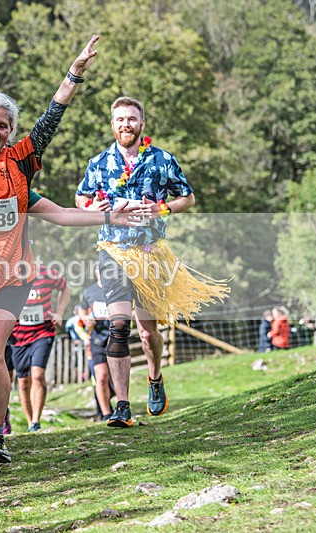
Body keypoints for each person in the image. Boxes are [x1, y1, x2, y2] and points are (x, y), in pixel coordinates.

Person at [0, 18, 145, 473]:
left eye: (3, 125)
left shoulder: (21, 163)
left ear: (11, 131)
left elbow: (54, 130)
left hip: (11, 278)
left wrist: (73, 74)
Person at [76, 96, 229, 428]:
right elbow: (81, 198)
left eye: (131, 119)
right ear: (112, 124)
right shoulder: (99, 162)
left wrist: (162, 209)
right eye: (119, 119)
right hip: (112, 251)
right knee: (118, 325)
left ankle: (155, 377)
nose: (125, 124)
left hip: (151, 254)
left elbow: (187, 197)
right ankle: (122, 406)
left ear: (141, 124)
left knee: (147, 333)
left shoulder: (162, 160)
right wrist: (98, 211)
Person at [10, 265, 69, 432]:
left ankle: (36, 421)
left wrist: (59, 312)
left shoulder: (45, 272)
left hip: (43, 332)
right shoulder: (7, 275)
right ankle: (30, 422)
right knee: (23, 382)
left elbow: (65, 288)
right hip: (18, 336)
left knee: (38, 374)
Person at [79, 265, 114, 421]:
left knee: (115, 378)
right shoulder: (89, 292)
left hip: (116, 337)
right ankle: (106, 414)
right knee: (100, 377)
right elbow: (81, 310)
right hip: (97, 338)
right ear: (95, 273)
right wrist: (86, 319)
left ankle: (120, 408)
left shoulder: (118, 289)